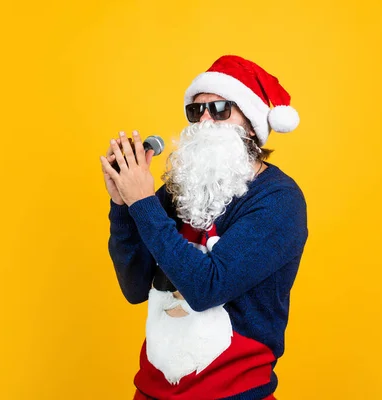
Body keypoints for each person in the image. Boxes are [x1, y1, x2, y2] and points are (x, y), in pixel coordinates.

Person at [100, 55, 308, 400]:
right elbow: (135, 287)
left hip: (236, 394)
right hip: (152, 390)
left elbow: (207, 287)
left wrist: (142, 202)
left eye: (221, 108)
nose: (206, 120)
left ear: (252, 123)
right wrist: (123, 206)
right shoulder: (177, 191)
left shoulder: (278, 199)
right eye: (196, 112)